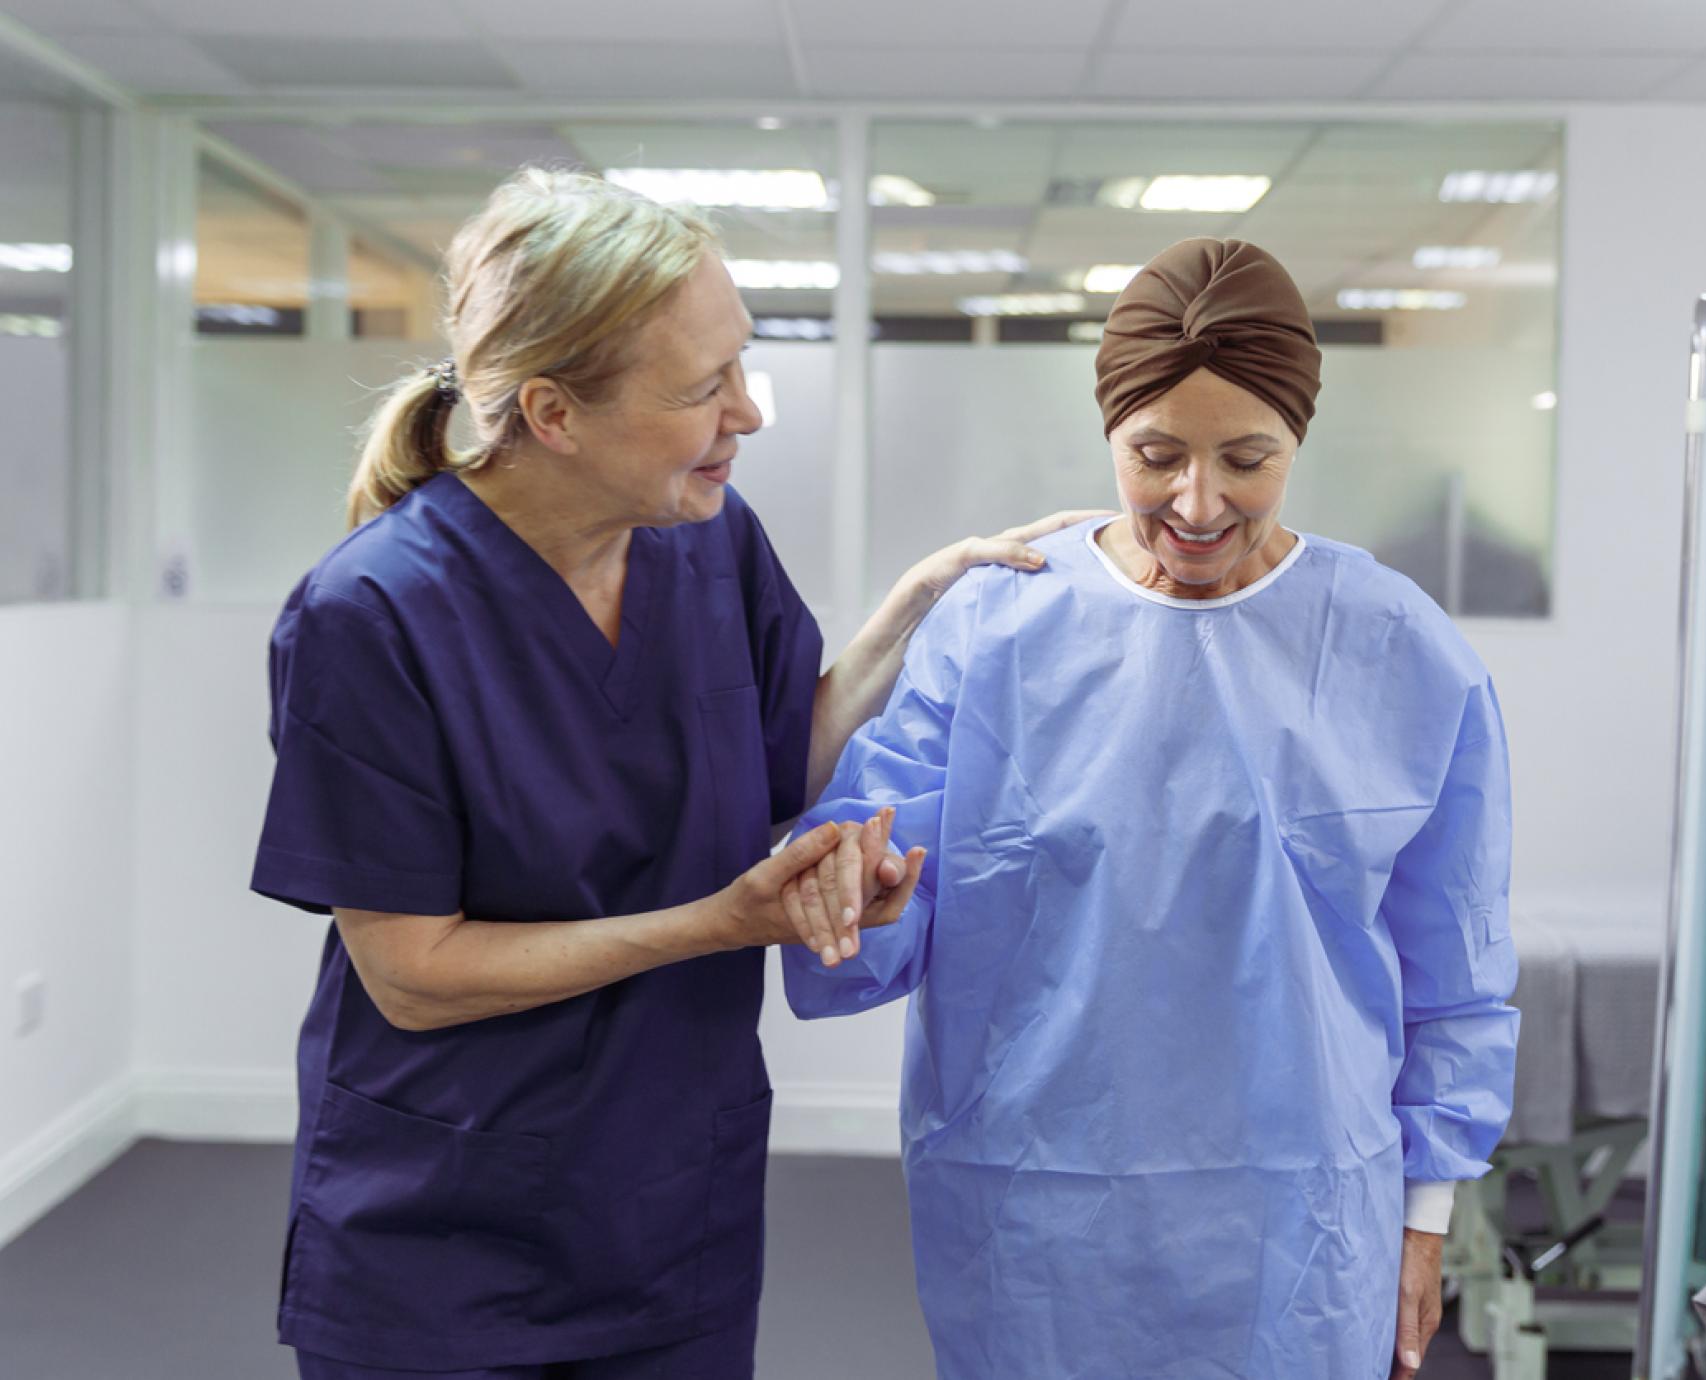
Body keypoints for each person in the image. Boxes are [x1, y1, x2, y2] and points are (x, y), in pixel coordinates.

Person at [250, 167, 1095, 1379]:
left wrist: (915, 608)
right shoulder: (372, 615)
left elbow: (773, 763)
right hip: (444, 1229)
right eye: (705, 387)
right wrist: (719, 922)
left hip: (667, 1210)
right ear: (553, 412)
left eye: (742, 367)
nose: (745, 413)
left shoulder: (703, 540)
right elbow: (413, 977)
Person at [784, 238, 1521, 1379]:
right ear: (1107, 434)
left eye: (1246, 458)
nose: (1197, 501)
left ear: (1298, 443)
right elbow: (870, 892)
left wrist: (1425, 1216)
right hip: (1034, 1213)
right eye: (1155, 454)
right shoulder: (995, 629)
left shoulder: (1396, 647)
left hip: (1300, 1226)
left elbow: (1454, 968)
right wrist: (861, 894)